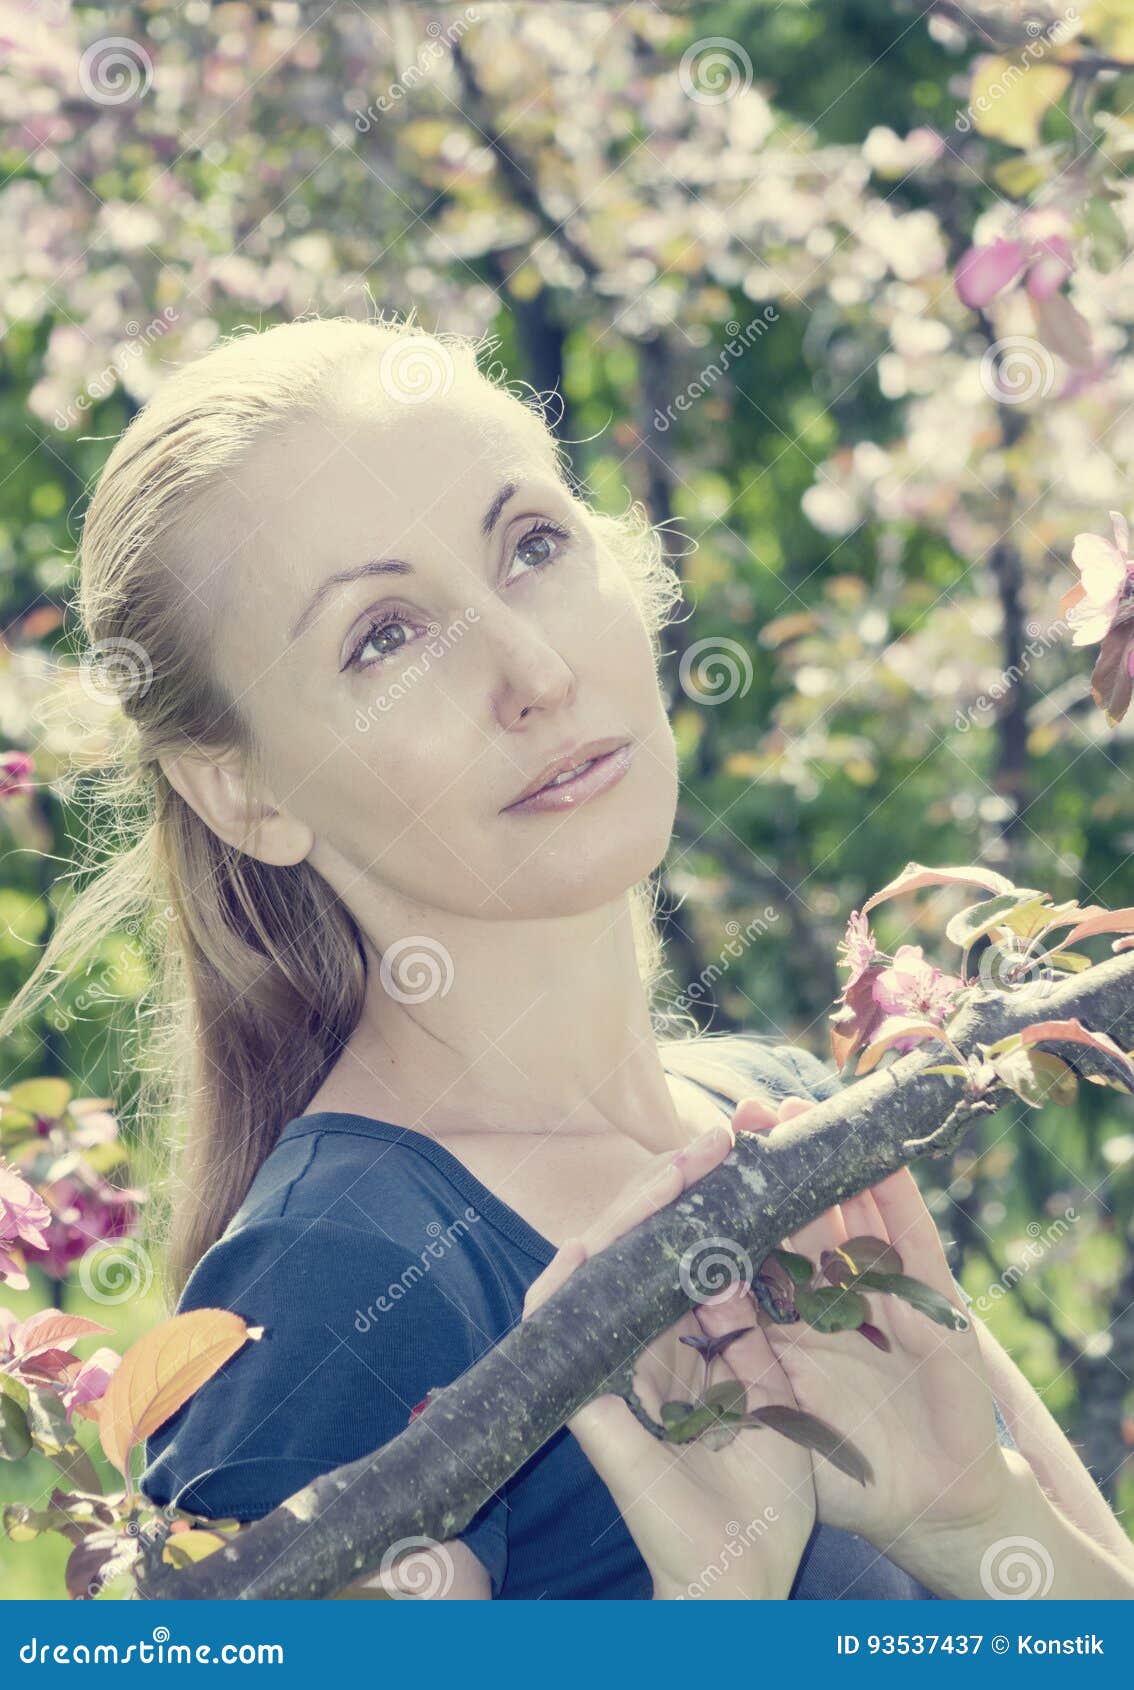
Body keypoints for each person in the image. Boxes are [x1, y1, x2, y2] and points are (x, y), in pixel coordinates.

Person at [5, 315, 1131, 1599]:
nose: (534, 669)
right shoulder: (336, 1292)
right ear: (241, 790)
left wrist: (973, 1521)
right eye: (385, 635)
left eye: (532, 545)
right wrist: (720, 1615)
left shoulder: (792, 1120)